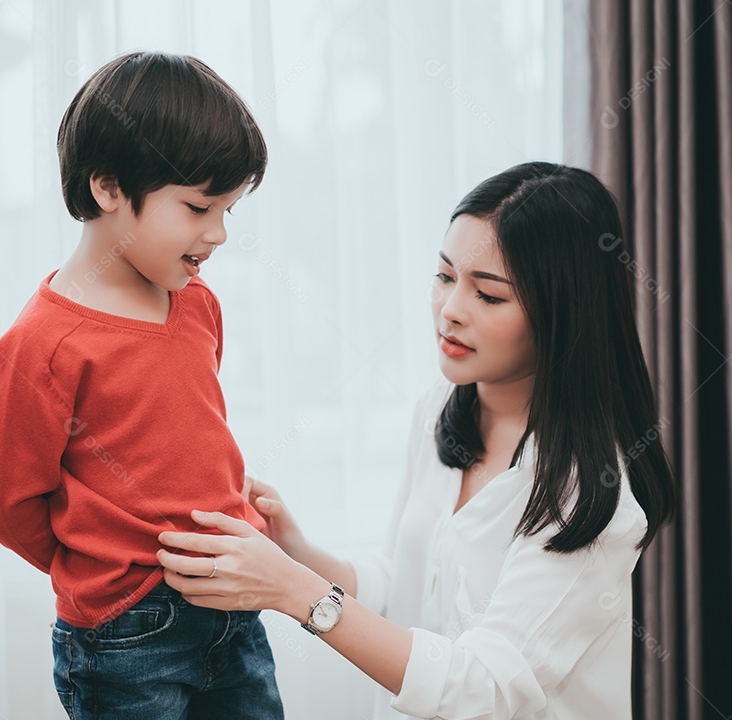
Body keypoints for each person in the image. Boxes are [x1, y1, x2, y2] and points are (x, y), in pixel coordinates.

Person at [155, 161, 678, 719]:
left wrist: (294, 591)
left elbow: (485, 689)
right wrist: (298, 556)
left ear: (562, 316)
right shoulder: (440, 411)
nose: (450, 311)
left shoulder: (590, 494)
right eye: (446, 276)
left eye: (490, 296)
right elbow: (404, 585)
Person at [0, 51, 282, 720]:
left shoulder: (198, 302)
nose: (220, 233)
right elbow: (5, 501)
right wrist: (104, 568)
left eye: (228, 208)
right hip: (127, 633)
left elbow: (180, 427)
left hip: (232, 606)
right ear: (109, 188)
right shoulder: (42, 346)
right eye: (199, 206)